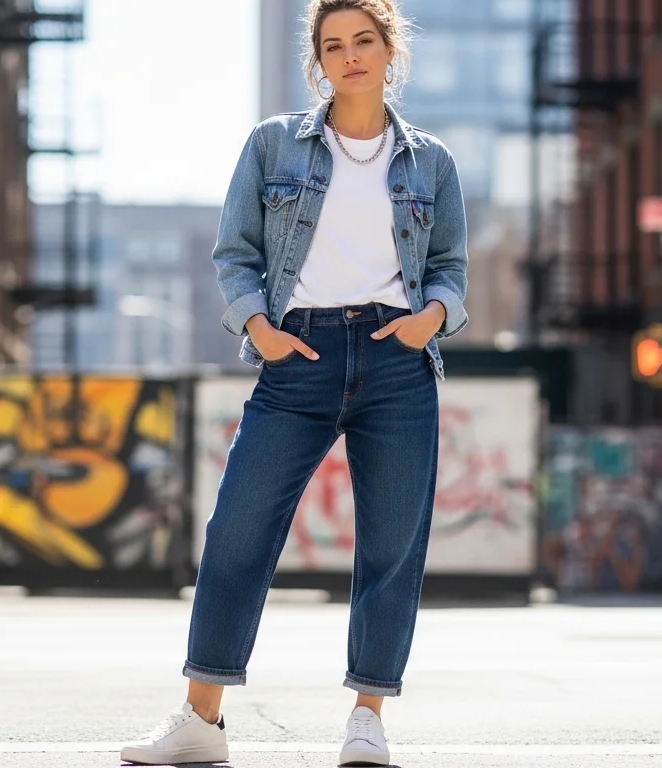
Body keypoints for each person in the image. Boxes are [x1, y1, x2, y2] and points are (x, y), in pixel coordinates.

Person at [119, 0, 468, 764]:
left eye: (363, 42)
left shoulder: (431, 161)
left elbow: (450, 268)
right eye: (334, 45)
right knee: (237, 531)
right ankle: (200, 720)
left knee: (391, 546)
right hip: (297, 358)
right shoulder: (275, 145)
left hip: (396, 361)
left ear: (388, 51)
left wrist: (431, 318)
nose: (350, 56)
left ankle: (367, 717)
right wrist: (258, 328)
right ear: (318, 60)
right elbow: (234, 253)